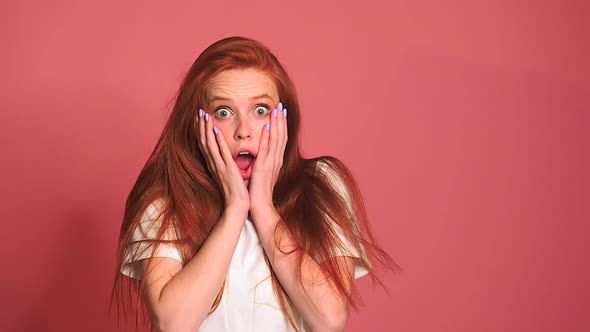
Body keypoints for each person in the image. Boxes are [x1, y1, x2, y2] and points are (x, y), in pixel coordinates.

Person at [112, 36, 396, 332]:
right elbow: (174, 324)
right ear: (197, 125)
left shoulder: (322, 185)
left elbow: (330, 319)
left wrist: (263, 207)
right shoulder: (165, 196)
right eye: (224, 112)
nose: (243, 131)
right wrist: (235, 208)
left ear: (285, 119)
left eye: (260, 110)